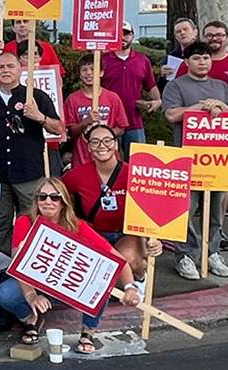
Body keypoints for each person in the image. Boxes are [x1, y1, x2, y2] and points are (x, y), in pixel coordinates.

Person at [0, 178, 141, 354]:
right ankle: (31, 318)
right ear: (36, 201)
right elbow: (18, 263)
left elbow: (117, 260)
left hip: (67, 287)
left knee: (102, 282)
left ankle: (88, 330)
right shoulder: (25, 221)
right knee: (5, 293)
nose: (47, 201)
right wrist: (31, 295)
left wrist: (130, 287)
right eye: (43, 197)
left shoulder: (77, 226)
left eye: (54, 197)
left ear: (63, 203)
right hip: (36, 284)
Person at [162, 41, 228, 280]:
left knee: (215, 210)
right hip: (186, 159)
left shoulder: (222, 87)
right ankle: (185, 255)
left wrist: (220, 106)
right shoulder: (176, 86)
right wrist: (198, 108)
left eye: (206, 58)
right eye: (196, 58)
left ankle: (211, 252)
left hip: (217, 160)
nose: (202, 62)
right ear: (187, 62)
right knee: (185, 211)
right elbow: (171, 114)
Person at [0, 51, 62, 254]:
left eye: (10, 66)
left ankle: (29, 264)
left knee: (30, 219)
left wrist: (41, 117)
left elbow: (59, 128)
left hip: (29, 173)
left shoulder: (36, 97)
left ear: (20, 69)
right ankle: (7, 263)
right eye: (1, 67)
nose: (5, 70)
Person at [62, 125, 163, 296]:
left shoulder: (134, 173)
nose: (102, 145)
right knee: (97, 268)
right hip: (95, 233)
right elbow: (57, 195)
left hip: (127, 233)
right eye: (95, 142)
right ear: (89, 148)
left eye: (107, 140)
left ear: (116, 144)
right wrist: (70, 222)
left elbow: (155, 205)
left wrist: (155, 238)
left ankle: (139, 275)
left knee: (126, 259)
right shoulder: (77, 175)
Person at [101, 21, 160, 157]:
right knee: (109, 163)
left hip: (134, 122)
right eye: (119, 34)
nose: (123, 37)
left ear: (133, 36)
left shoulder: (142, 60)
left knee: (137, 164)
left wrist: (158, 101)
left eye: (126, 34)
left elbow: (150, 86)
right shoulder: (103, 60)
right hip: (110, 123)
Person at [64, 54, 129, 168]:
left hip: (109, 158)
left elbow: (121, 128)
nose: (89, 73)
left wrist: (104, 135)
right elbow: (71, 131)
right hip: (82, 158)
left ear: (101, 73)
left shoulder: (112, 98)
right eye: (84, 70)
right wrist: (85, 122)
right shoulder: (72, 99)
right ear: (79, 74)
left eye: (93, 69)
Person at [173, 20, 228, 92]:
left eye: (219, 35)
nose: (214, 38)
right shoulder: (188, 64)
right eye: (209, 35)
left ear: (227, 38)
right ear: (203, 38)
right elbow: (176, 90)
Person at [159, 16, 199, 90]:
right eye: (178, 31)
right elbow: (161, 88)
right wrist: (163, 76)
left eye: (185, 29)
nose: (182, 33)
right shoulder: (171, 58)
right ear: (176, 37)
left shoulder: (206, 54)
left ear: (195, 32)